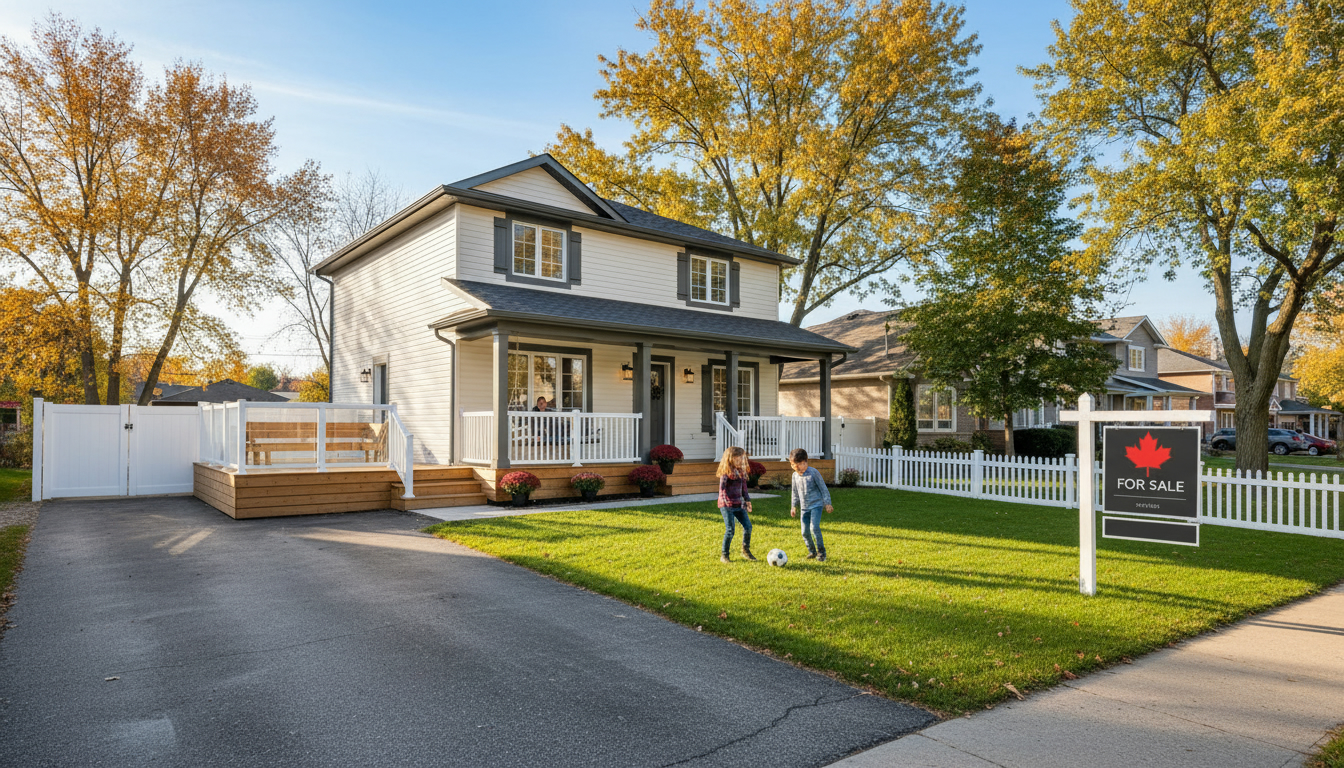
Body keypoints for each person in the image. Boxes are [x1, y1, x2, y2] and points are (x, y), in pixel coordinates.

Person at [788, 448, 833, 561]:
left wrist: (827, 503)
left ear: (806, 462)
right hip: (804, 508)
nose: (799, 468)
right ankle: (812, 551)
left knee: (814, 528)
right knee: (804, 531)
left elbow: (823, 488)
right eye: (795, 466)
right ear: (792, 465)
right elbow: (795, 492)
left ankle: (821, 552)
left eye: (802, 464)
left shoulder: (813, 473)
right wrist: (793, 506)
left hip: (816, 505)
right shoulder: (795, 476)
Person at [716, 446, 756, 563]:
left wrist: (747, 501)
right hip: (727, 505)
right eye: (737, 459)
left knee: (748, 527)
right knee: (730, 530)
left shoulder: (742, 472)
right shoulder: (726, 473)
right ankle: (724, 555)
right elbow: (722, 490)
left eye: (741, 459)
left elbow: (744, 489)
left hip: (739, 504)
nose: (740, 461)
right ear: (729, 459)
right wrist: (727, 503)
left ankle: (745, 551)